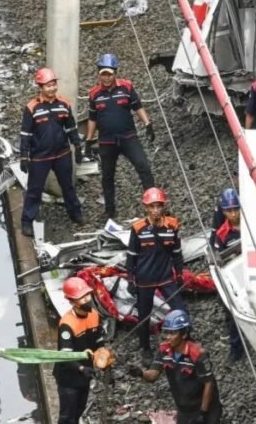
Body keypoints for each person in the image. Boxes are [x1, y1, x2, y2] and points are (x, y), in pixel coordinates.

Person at [86, 54, 156, 219]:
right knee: (107, 176)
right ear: (98, 74)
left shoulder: (126, 87)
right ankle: (110, 211)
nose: (106, 77)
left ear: (115, 73)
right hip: (107, 141)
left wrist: (148, 124)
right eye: (103, 74)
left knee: (144, 167)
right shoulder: (94, 94)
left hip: (128, 137)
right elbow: (92, 118)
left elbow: (137, 106)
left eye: (109, 74)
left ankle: (153, 203)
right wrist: (89, 141)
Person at [19, 68, 84, 237]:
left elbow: (71, 128)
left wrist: (77, 146)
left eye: (54, 84)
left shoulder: (64, 104)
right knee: (34, 189)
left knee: (68, 186)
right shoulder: (32, 108)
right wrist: (24, 156)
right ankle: (27, 221)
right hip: (40, 157)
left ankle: (75, 213)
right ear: (40, 87)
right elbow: (25, 134)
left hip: (62, 154)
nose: (52, 88)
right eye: (48, 85)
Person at [127, 187, 186, 364]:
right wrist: (131, 279)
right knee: (144, 315)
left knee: (181, 309)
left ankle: (184, 343)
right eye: (151, 206)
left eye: (158, 206)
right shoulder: (137, 229)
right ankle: (145, 348)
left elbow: (177, 252)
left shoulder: (172, 225)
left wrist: (180, 273)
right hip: (144, 279)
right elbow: (131, 256)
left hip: (166, 277)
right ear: (146, 207)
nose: (155, 210)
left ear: (163, 206)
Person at [138, 310, 222, 424]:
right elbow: (153, 375)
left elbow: (209, 383)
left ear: (184, 334)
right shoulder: (164, 351)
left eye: (172, 333)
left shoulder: (198, 354)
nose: (168, 337)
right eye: (166, 332)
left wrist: (203, 413)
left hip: (204, 408)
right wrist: (140, 373)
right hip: (184, 409)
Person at [54, 277, 106, 424]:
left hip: (85, 373)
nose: (87, 300)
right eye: (82, 298)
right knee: (67, 416)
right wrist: (82, 368)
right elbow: (66, 356)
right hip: (69, 378)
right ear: (72, 302)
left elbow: (98, 340)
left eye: (87, 295)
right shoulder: (67, 324)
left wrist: (103, 357)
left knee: (79, 411)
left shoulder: (94, 315)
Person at [208, 188, 244, 362]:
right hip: (235, 276)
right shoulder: (222, 233)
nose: (234, 213)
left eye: (236, 209)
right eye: (229, 211)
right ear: (223, 212)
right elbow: (218, 259)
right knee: (231, 311)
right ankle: (236, 348)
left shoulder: (251, 224)